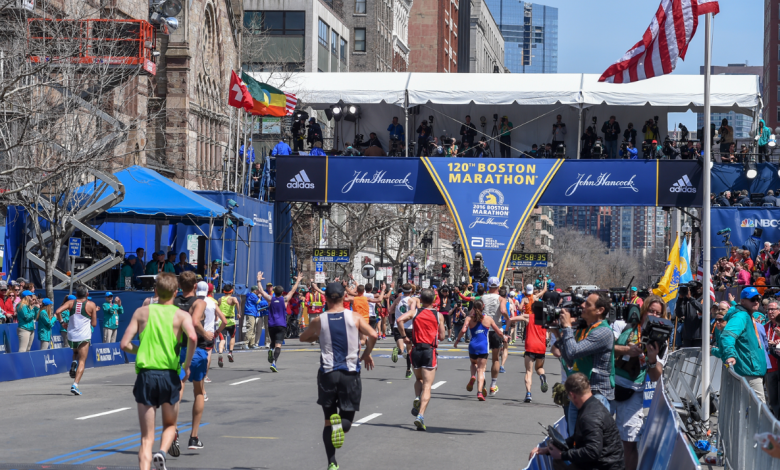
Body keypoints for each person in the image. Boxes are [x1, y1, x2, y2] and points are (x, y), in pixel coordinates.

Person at [120, 272, 197, 470]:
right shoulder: (181, 315)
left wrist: (140, 350)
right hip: (169, 375)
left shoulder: (141, 312)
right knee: (170, 424)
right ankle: (162, 452)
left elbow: (124, 344)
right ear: (175, 291)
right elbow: (193, 338)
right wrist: (186, 366)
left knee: (146, 438)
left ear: (155, 291)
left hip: (146, 375)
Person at [299, 281, 376, 470]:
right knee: (347, 419)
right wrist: (366, 354)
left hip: (327, 373)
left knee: (327, 420)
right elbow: (373, 334)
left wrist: (316, 336)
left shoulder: (320, 320)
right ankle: (341, 426)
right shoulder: (355, 317)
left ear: (325, 298)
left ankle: (332, 462)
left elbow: (302, 337)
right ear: (344, 297)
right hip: (350, 372)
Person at [532, 373, 625, 470]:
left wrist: (563, 455)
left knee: (559, 463)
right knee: (558, 462)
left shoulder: (590, 417)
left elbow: (593, 452)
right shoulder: (591, 405)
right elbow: (577, 438)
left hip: (605, 466)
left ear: (572, 395)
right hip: (604, 463)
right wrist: (550, 449)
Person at [552, 293, 615, 432]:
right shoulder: (584, 329)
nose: (582, 306)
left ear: (600, 310)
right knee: (575, 440)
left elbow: (574, 351)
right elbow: (569, 358)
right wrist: (560, 331)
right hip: (580, 392)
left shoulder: (603, 332)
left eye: (587, 304)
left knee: (592, 441)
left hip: (596, 394)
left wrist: (568, 327)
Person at [184, 280, 227, 450]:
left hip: (183, 345)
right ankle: (194, 436)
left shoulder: (190, 302)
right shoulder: (210, 302)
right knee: (199, 385)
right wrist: (215, 333)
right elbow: (223, 320)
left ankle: (172, 431)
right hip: (204, 340)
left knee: (178, 390)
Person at [394, 288, 445, 430]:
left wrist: (404, 337)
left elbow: (399, 320)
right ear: (434, 300)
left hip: (415, 350)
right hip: (429, 350)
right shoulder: (438, 315)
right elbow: (442, 336)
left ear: (420, 300)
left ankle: (417, 397)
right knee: (427, 385)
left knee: (418, 379)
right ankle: (420, 415)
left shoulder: (415, 312)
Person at [720, 287, 769, 401]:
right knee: (759, 412)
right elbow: (727, 336)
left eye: (758, 298)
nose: (756, 301)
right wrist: (730, 355)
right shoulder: (741, 316)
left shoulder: (747, 315)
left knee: (751, 411)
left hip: (752, 371)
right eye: (752, 299)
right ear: (743, 301)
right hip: (749, 372)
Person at [454, 299, 501, 401]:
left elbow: (463, 330)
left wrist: (457, 340)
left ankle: (472, 376)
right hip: (483, 347)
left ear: (473, 308)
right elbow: (498, 331)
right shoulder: (488, 319)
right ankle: (479, 392)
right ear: (483, 306)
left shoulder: (469, 318)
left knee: (473, 363)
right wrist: (505, 337)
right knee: (481, 370)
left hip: (473, 346)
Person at [256, 271, 303, 372]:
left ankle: (270, 349)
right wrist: (298, 280)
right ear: (282, 293)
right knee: (278, 344)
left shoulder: (270, 299)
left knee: (273, 341)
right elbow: (292, 291)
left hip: (271, 324)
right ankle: (274, 363)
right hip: (281, 324)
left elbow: (262, 291)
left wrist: (258, 280)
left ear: (274, 292)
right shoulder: (285, 299)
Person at [509, 284, 548, 402]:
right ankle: (542, 376)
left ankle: (528, 394)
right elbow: (549, 333)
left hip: (530, 346)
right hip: (541, 347)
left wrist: (512, 317)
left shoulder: (528, 317)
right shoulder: (545, 320)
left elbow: (513, 318)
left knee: (528, 371)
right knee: (539, 368)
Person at [55, 286, 97, 395]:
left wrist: (62, 322)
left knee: (75, 353)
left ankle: (74, 362)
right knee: (82, 361)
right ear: (87, 295)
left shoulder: (71, 303)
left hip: (71, 335)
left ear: (77, 294)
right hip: (84, 336)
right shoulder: (91, 305)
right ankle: (75, 384)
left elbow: (57, 311)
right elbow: (94, 324)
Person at [482, 276, 509, 396]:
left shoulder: (482, 297)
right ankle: (493, 385)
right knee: (495, 359)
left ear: (488, 286)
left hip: (483, 329)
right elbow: (503, 311)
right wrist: (508, 319)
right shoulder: (501, 298)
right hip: (496, 329)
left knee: (482, 359)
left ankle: (481, 382)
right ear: (498, 286)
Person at [389, 283, 415, 378]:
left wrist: (396, 311)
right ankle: (408, 370)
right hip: (408, 327)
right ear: (411, 291)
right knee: (409, 350)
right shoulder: (412, 301)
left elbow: (390, 310)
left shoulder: (398, 299)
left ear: (403, 290)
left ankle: (398, 350)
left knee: (401, 349)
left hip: (397, 326)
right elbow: (411, 313)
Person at [216, 284, 241, 365]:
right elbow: (237, 302)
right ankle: (230, 352)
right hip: (230, 321)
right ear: (231, 291)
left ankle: (220, 353)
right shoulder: (233, 298)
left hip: (222, 322)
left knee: (222, 340)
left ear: (224, 291)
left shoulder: (220, 299)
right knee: (232, 336)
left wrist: (216, 316)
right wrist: (239, 313)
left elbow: (216, 307)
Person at [766, 301, 780, 418]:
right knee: (773, 398)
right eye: (768, 310)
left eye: (773, 309)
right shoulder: (766, 326)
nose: (770, 312)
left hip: (779, 365)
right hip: (770, 367)